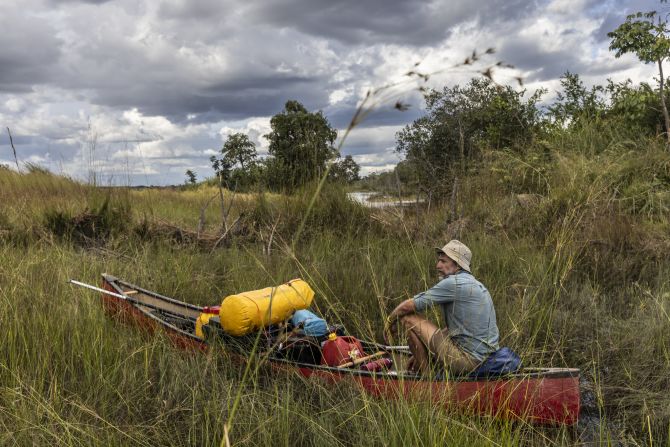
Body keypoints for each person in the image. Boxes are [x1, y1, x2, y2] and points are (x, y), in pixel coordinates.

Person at [385, 240, 499, 375]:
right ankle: (422, 369)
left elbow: (408, 306)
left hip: (468, 362)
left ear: (457, 265)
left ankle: (427, 380)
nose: (437, 265)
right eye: (439, 261)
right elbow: (458, 329)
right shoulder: (477, 285)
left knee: (408, 318)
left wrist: (388, 325)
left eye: (443, 261)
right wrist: (420, 353)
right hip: (486, 360)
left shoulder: (454, 283)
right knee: (418, 332)